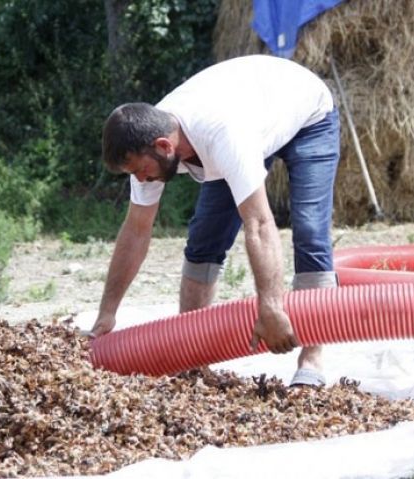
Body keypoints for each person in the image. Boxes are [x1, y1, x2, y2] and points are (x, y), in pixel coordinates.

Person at [89, 54, 340, 386]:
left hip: (307, 113)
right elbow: (136, 230)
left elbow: (260, 224)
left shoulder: (223, 137)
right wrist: (108, 312)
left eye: (140, 170)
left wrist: (271, 306)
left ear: (164, 146)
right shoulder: (147, 137)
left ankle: (312, 359)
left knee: (308, 230)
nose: (140, 179)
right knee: (204, 239)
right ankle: (192, 354)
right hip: (250, 112)